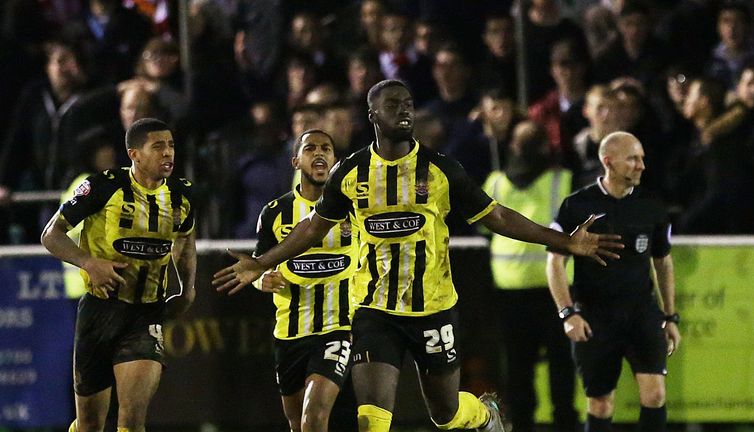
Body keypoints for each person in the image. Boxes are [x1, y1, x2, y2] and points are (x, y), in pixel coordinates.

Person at [213, 79, 622, 432]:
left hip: (433, 307)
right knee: (371, 419)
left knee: (444, 413)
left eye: (408, 104)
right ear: (372, 114)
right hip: (374, 308)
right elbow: (313, 227)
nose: (404, 111)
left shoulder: (440, 169)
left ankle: (482, 413)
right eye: (392, 105)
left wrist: (564, 241)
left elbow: (495, 215)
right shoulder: (350, 173)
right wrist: (263, 261)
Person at [40, 118, 197, 432]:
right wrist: (89, 263)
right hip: (100, 311)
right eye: (158, 146)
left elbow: (186, 239)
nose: (168, 153)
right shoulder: (103, 186)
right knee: (90, 424)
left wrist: (188, 287)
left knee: (132, 420)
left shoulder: (182, 194)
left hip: (145, 314)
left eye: (171, 145)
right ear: (134, 154)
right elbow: (51, 234)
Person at [545, 131, 682, 432]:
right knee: (601, 403)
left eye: (642, 158)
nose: (641, 165)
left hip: (641, 313)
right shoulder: (577, 206)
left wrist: (670, 315)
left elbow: (662, 261)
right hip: (596, 315)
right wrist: (568, 313)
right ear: (608, 161)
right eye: (633, 158)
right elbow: (555, 261)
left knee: (655, 394)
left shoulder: (651, 206)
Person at [251, 129, 358, 432]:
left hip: (338, 329)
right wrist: (263, 281)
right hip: (290, 334)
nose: (320, 153)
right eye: (310, 148)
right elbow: (258, 266)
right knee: (298, 424)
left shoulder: (354, 208)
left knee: (313, 419)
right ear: (296, 160)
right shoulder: (275, 212)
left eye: (326, 148)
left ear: (335, 160)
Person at [482, 121, 578, 432]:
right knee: (550, 369)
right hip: (544, 293)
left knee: (528, 369)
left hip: (533, 292)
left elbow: (482, 228)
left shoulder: (497, 182)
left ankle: (528, 425)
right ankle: (554, 423)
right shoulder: (561, 179)